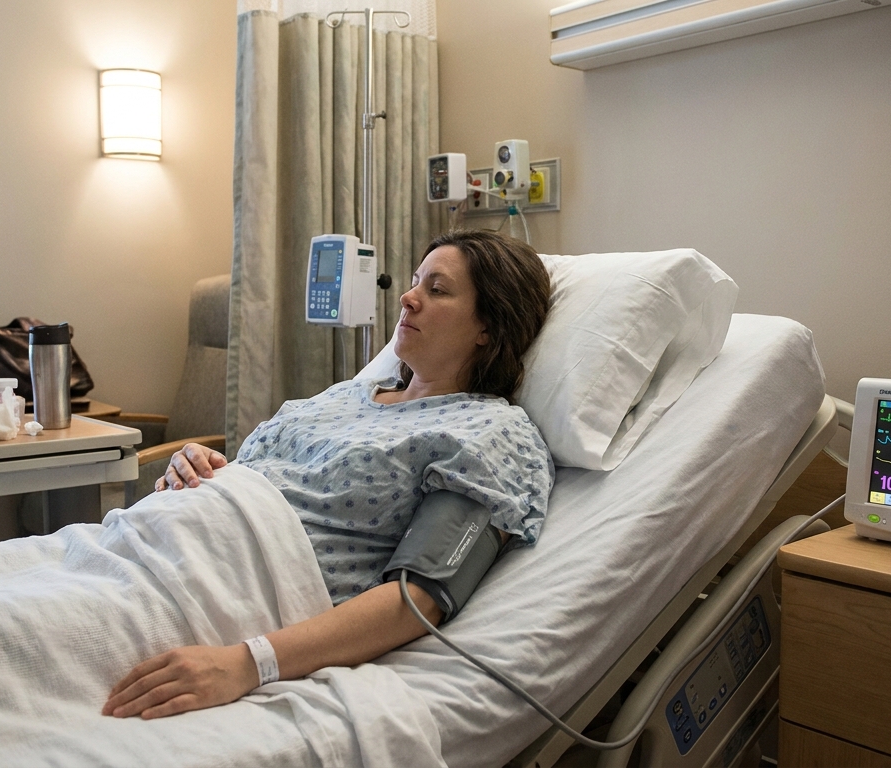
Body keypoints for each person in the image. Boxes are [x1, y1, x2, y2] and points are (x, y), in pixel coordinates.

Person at [103, 229, 555, 721]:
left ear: (488, 325)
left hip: (207, 596)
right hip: (130, 550)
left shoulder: (487, 432)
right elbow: (261, 484)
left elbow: (420, 596)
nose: (407, 298)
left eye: (436, 289)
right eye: (414, 282)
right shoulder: (342, 397)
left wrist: (247, 664)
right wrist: (195, 467)